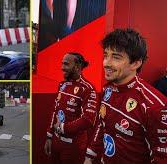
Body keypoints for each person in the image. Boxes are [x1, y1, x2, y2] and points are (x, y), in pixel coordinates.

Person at [84, 29, 167, 163]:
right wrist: (90, 156)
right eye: (106, 55)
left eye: (116, 57)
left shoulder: (155, 106)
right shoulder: (108, 90)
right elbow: (101, 123)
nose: (106, 63)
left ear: (136, 63)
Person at [44, 52, 99, 164]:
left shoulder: (87, 88)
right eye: (62, 64)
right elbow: (55, 110)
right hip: (56, 142)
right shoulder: (62, 85)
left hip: (73, 147)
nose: (62, 67)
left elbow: (88, 119)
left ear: (77, 67)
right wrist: (49, 136)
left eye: (66, 64)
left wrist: (64, 128)